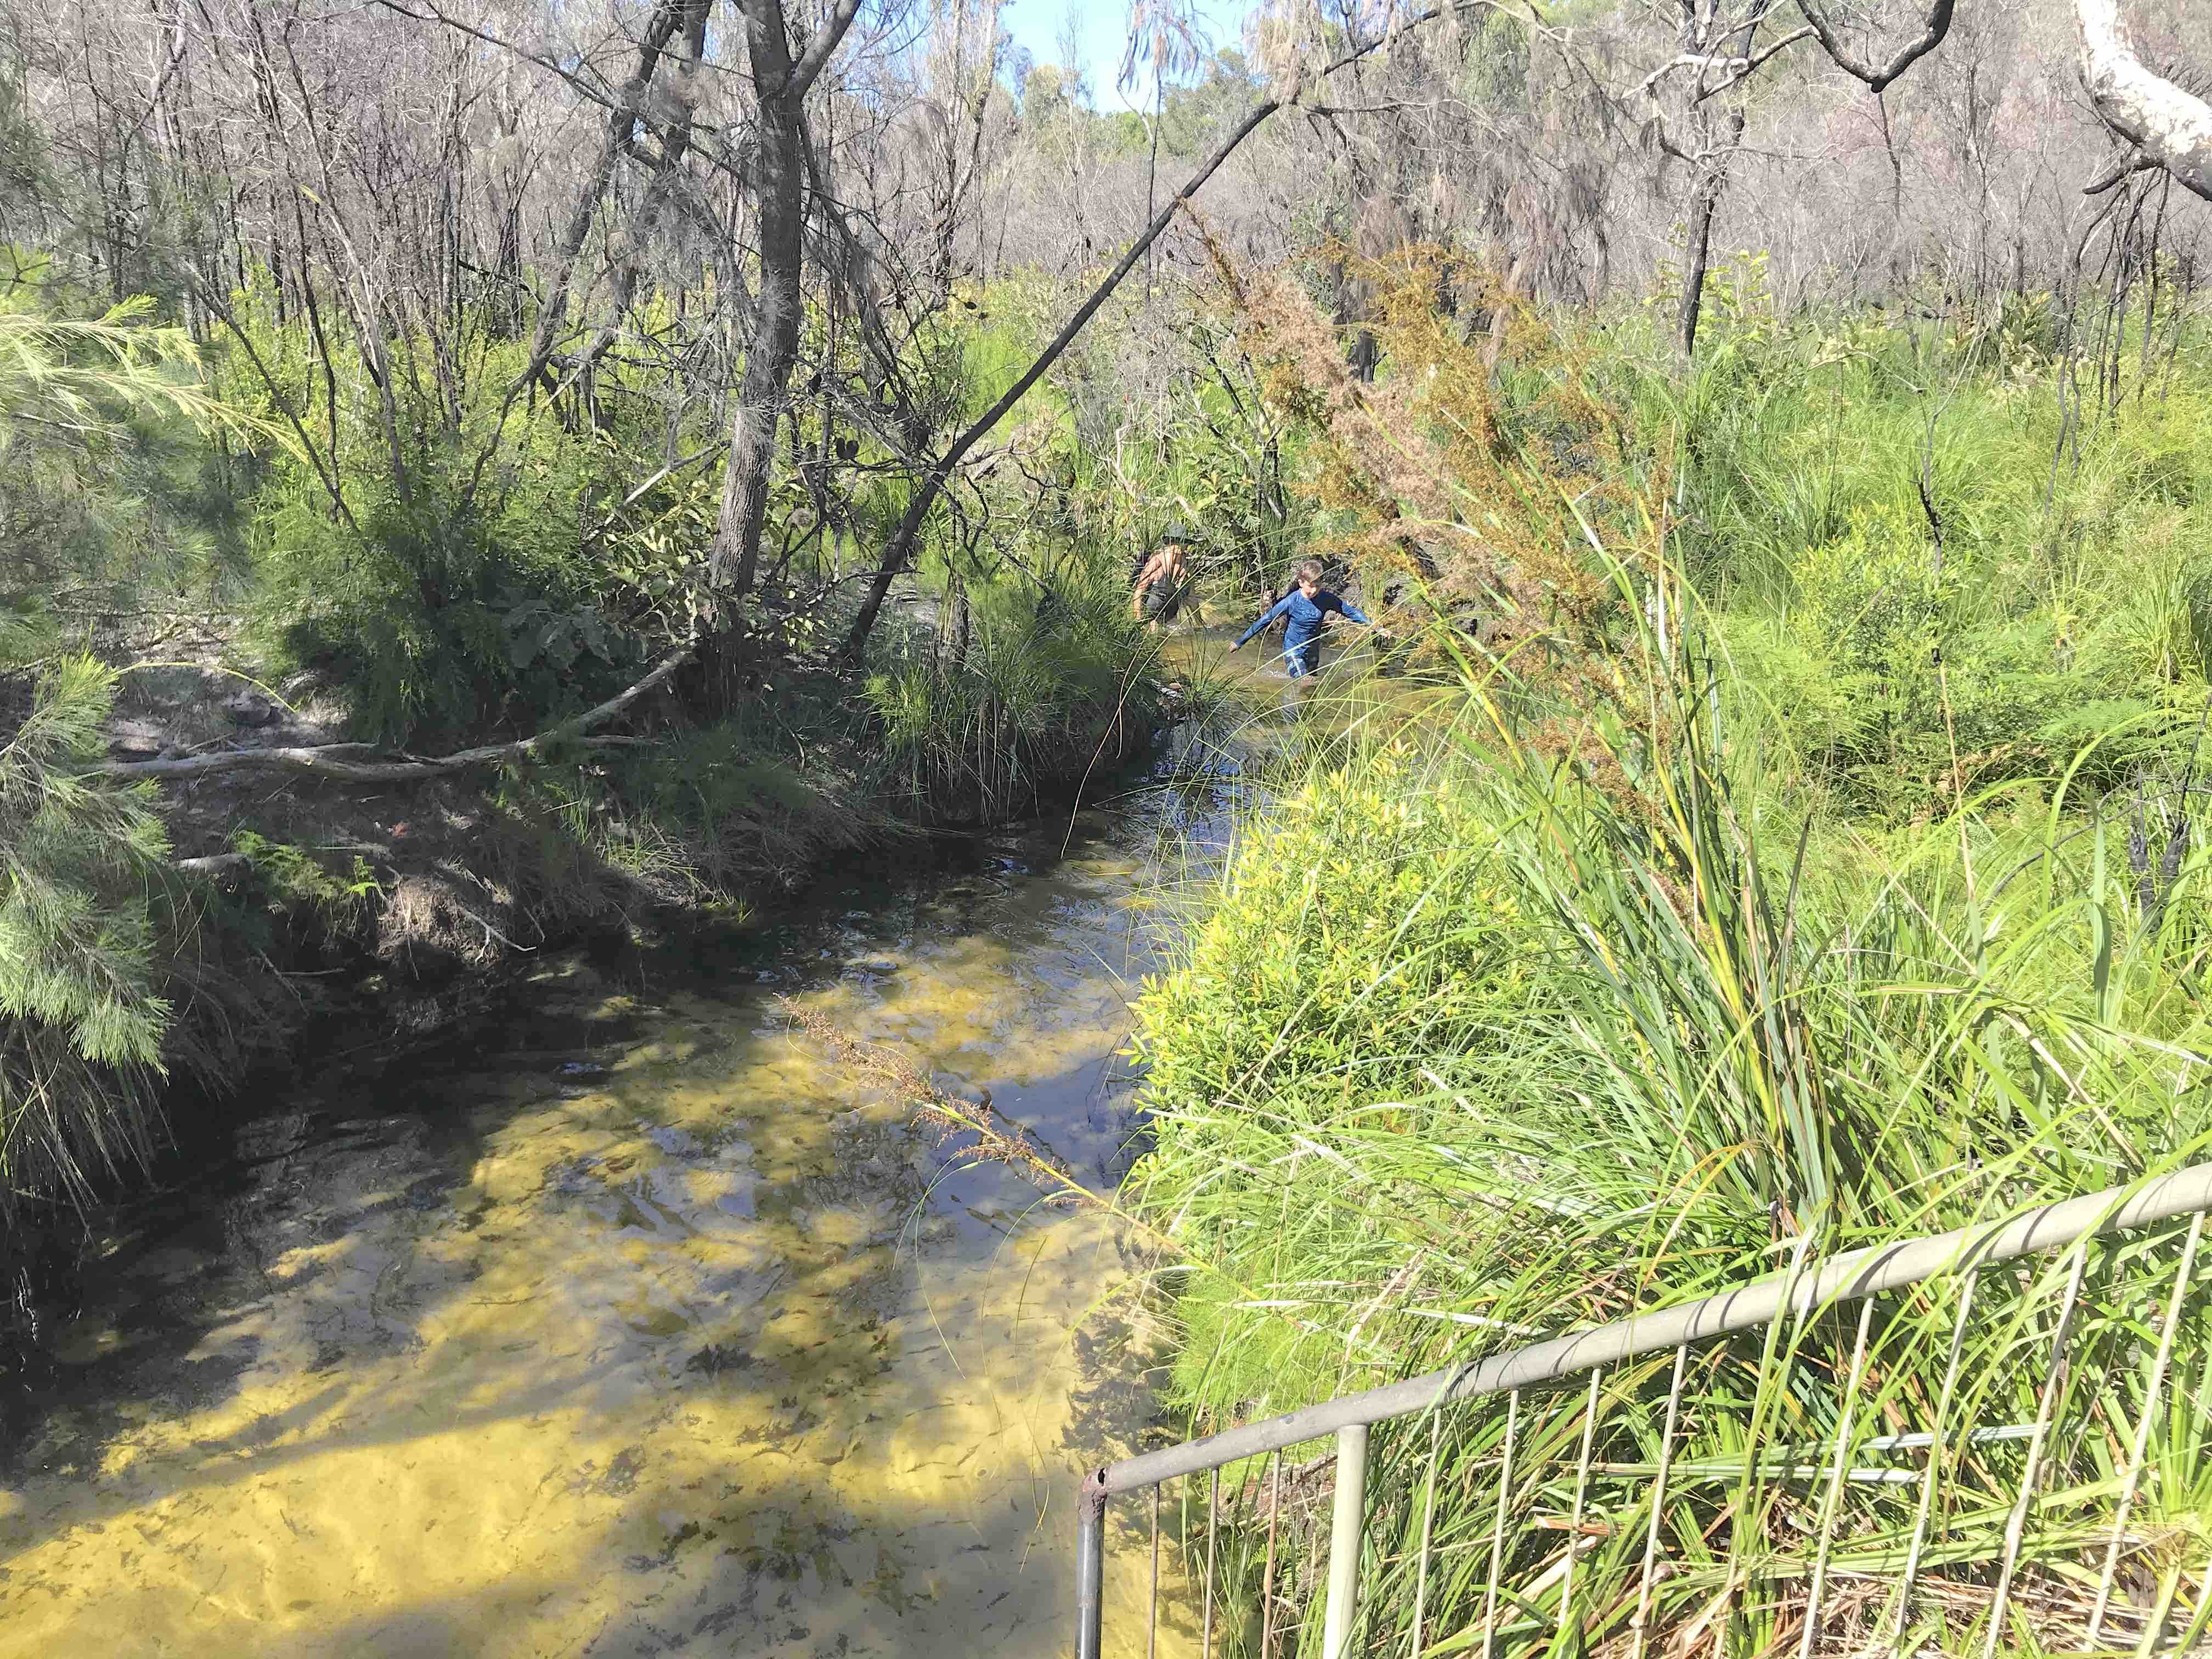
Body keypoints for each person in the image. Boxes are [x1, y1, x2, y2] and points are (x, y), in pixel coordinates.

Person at [1229, 558, 1368, 676]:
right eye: (1311, 586)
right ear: (1301, 582)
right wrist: (1240, 642)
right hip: (1293, 649)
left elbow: (1351, 612)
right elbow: (1265, 620)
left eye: (1318, 586)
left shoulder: (1325, 599)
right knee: (1303, 681)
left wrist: (1376, 626)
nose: (1314, 590)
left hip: (1312, 651)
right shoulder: (1291, 601)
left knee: (1312, 688)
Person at [1131, 532, 1201, 629]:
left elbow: (1192, 598)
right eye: (1184, 544)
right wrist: (1138, 621)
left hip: (1171, 612)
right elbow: (1139, 591)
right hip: (1152, 614)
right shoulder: (1157, 561)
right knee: (1155, 632)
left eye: (1186, 544)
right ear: (1171, 543)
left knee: (1179, 635)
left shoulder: (1187, 565)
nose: (1186, 548)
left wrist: (1200, 625)